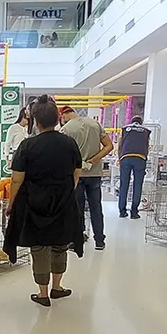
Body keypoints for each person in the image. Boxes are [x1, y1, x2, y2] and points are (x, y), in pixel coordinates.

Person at [4, 97, 84, 307]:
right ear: (58, 118)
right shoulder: (69, 143)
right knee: (59, 243)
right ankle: (57, 287)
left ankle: (43, 293)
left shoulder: (27, 145)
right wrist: (68, 190)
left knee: (39, 246)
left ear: (36, 120)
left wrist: (11, 203)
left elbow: (17, 179)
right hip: (63, 200)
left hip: (34, 202)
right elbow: (77, 172)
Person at [61, 105, 113, 250]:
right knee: (96, 207)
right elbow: (109, 146)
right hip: (95, 173)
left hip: (76, 175)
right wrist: (94, 160)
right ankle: (99, 240)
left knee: (77, 208)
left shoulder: (66, 129)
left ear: (63, 116)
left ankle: (77, 239)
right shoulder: (94, 124)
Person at [117, 115, 152, 219]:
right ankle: (134, 212)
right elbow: (147, 146)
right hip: (140, 158)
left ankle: (122, 211)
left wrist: (120, 158)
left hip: (125, 157)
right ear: (141, 123)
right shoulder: (146, 131)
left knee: (124, 185)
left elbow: (120, 144)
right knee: (137, 186)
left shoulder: (125, 129)